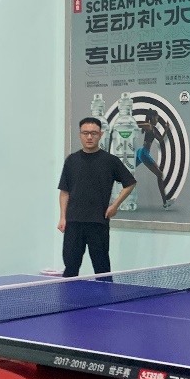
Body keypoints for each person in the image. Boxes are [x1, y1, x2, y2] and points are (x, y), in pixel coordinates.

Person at [58, 117, 137, 277]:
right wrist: (62, 217)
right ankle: (68, 294)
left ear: (101, 135)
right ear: (80, 134)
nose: (89, 137)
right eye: (85, 133)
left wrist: (115, 206)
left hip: (98, 222)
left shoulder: (110, 161)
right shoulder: (71, 161)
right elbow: (64, 192)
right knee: (70, 268)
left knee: (102, 269)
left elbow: (130, 183)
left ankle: (106, 294)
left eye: (93, 133)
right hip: (73, 223)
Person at [135, 108, 174, 208]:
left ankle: (165, 202)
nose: (157, 120)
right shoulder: (148, 126)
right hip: (143, 153)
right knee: (160, 174)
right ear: (152, 117)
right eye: (157, 118)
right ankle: (165, 203)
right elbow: (136, 124)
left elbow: (160, 139)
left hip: (142, 152)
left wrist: (166, 129)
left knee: (126, 170)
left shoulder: (153, 128)